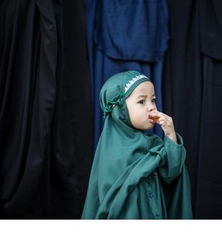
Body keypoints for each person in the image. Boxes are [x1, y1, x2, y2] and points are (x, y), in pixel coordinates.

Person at [81, 70, 193, 219]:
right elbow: (112, 207)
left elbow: (171, 173)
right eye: (142, 101)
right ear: (120, 110)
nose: (152, 107)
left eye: (153, 100)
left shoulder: (155, 145)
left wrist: (171, 136)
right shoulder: (112, 154)